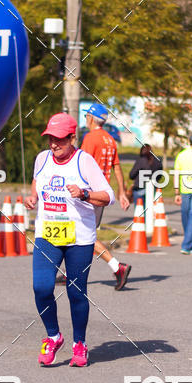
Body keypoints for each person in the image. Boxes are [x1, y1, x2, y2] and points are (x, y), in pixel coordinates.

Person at [25, 112, 115, 368]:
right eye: (51, 138)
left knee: (76, 292)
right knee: (41, 288)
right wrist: (33, 199)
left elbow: (108, 196)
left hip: (80, 237)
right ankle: (53, 336)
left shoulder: (84, 161)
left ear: (72, 137)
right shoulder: (42, 158)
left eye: (60, 139)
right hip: (47, 234)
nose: (54, 144)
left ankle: (79, 343)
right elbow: (37, 184)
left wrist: (85, 194)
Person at [80, 103, 131, 289]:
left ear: (91, 118)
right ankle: (71, 274)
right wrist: (122, 192)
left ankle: (117, 267)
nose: (85, 119)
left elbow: (81, 166)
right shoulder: (110, 139)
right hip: (102, 193)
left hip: (88, 194)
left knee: (86, 235)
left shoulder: (90, 138)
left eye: (86, 116)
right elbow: (116, 166)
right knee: (81, 235)